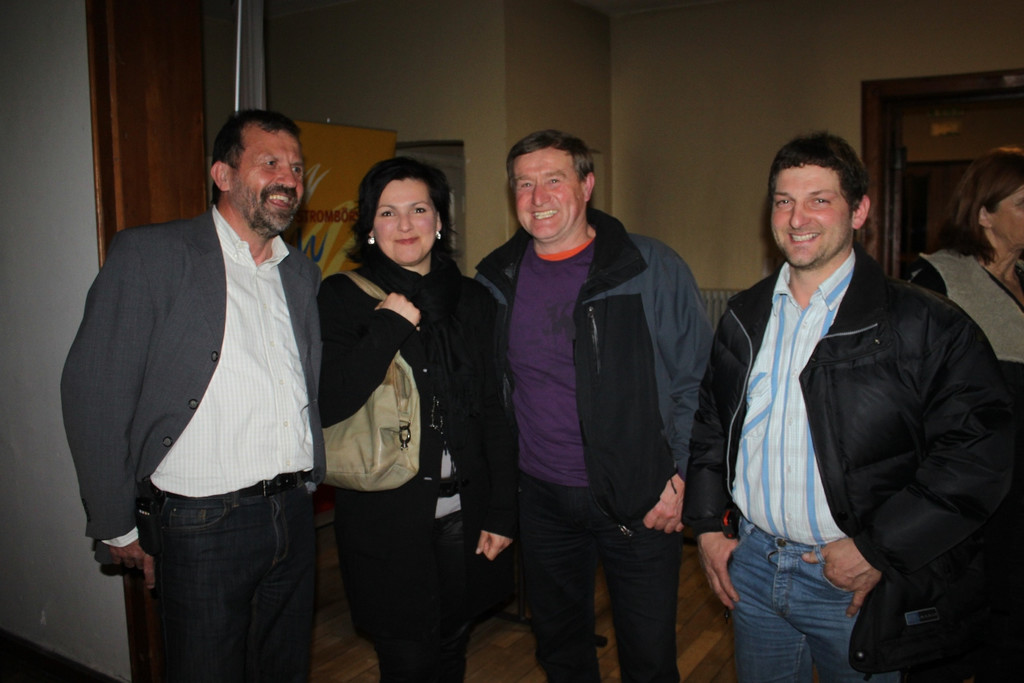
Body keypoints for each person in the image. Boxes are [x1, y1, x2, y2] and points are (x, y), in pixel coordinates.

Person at [682, 132, 1014, 682]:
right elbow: (712, 427)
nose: (797, 218)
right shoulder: (744, 316)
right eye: (784, 201)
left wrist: (878, 549)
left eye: (820, 199)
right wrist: (708, 527)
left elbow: (976, 455)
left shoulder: (925, 324)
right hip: (755, 571)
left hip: (854, 581)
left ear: (859, 211)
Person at [61, 109, 324, 683]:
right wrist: (117, 522)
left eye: (297, 168)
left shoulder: (300, 274)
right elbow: (94, 390)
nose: (288, 178)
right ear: (222, 175)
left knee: (284, 671)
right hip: (202, 524)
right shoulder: (152, 255)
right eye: (270, 163)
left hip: (292, 512)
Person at [476, 129, 713, 682]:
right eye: (524, 184)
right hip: (541, 500)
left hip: (641, 497)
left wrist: (684, 476)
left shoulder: (648, 266)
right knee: (560, 652)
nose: (538, 197)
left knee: (649, 659)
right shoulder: (496, 279)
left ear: (586, 185)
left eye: (553, 180)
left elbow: (698, 382)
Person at [317, 157, 516, 682]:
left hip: (466, 514)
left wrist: (502, 511)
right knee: (406, 658)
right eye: (388, 212)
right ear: (369, 226)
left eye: (419, 209)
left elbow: (493, 409)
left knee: (453, 645)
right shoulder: (341, 297)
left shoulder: (472, 299)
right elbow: (328, 403)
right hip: (386, 521)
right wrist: (387, 327)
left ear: (440, 221)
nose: (405, 225)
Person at [906, 146, 1024, 681]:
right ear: (984, 213)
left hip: (1018, 504)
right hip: (969, 504)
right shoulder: (938, 281)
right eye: (1022, 203)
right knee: (953, 642)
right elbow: (908, 400)